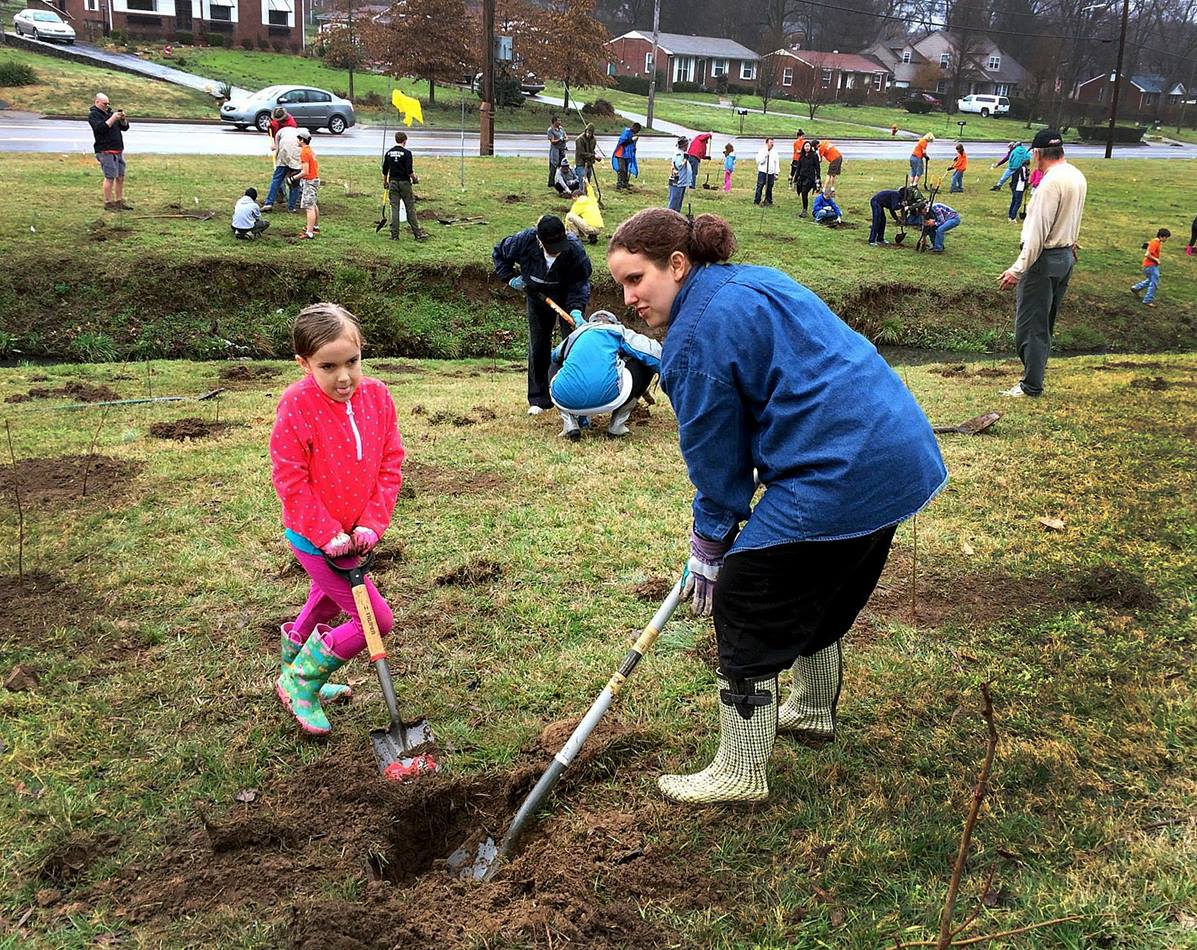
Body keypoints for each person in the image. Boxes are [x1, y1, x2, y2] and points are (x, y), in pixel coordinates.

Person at [605, 208, 947, 805]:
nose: (629, 296)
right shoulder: (752, 279)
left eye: (637, 280)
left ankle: (739, 771)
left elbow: (719, 465)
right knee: (817, 580)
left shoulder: (693, 340)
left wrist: (710, 544)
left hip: (843, 465)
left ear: (677, 265)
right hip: (898, 451)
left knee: (748, 587)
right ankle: (813, 709)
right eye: (621, 286)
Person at [269, 303, 405, 736]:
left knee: (326, 601)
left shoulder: (378, 396)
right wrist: (326, 532)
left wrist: (371, 524)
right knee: (376, 622)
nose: (344, 377)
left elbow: (390, 463)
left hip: (356, 537)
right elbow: (289, 478)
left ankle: (290, 671)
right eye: (328, 366)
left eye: (353, 362)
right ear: (303, 363)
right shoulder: (297, 405)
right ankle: (302, 683)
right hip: (313, 538)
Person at [998, 128, 1088, 398]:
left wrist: (1017, 269)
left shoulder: (1049, 184)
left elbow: (1037, 232)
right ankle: (1034, 377)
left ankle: (1030, 385)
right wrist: (1071, 242)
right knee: (1045, 322)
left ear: (1037, 153)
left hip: (1043, 260)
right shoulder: (1075, 175)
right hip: (1065, 257)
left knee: (1030, 326)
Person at [493, 215, 593, 415]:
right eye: (552, 246)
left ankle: (574, 398)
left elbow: (579, 283)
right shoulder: (523, 241)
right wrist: (510, 277)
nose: (557, 250)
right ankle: (539, 399)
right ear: (540, 239)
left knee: (573, 345)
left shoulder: (574, 250)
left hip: (567, 296)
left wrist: (575, 308)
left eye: (560, 244)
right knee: (538, 345)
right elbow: (499, 253)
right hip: (537, 295)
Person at [548, 309, 662, 440]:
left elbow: (555, 355)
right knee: (644, 361)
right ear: (614, 322)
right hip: (610, 397)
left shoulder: (577, 334)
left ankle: (570, 422)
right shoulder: (618, 330)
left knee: (555, 362)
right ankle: (617, 425)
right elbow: (654, 353)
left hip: (566, 400)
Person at [381, 130, 429, 242]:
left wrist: (385, 182)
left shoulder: (388, 153)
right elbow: (409, 171)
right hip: (404, 183)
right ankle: (417, 233)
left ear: (396, 140)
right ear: (405, 141)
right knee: (410, 208)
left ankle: (394, 235)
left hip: (392, 183)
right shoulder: (407, 153)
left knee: (395, 209)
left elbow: (385, 170)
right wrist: (415, 179)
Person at [88, 93, 130, 212]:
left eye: (108, 104)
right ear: (97, 102)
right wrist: (113, 118)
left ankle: (119, 201)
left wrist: (122, 119)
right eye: (104, 104)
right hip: (105, 151)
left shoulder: (110, 114)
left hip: (118, 150)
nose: (107, 106)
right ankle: (108, 203)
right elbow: (101, 129)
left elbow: (125, 128)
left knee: (120, 177)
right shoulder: (94, 115)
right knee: (110, 177)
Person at [263, 107, 298, 212]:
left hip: (288, 153)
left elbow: (281, 143)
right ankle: (289, 206)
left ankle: (270, 202)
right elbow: (271, 131)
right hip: (294, 155)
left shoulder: (291, 125)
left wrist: (276, 149)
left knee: (283, 178)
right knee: (293, 179)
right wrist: (268, 127)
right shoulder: (280, 124)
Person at [269, 123, 304, 214]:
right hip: (296, 155)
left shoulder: (279, 132)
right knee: (294, 184)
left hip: (284, 155)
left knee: (276, 179)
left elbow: (276, 148)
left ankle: (269, 203)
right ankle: (291, 207)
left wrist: (278, 163)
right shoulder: (298, 132)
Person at [1131, 228, 1170, 307]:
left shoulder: (1156, 242)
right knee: (1154, 283)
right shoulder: (1155, 243)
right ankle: (1147, 300)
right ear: (1162, 236)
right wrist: (1156, 260)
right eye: (1166, 237)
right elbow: (1147, 254)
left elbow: (1149, 245)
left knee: (1151, 280)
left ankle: (1136, 288)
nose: (1166, 239)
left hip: (1150, 265)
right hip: (1151, 265)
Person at [296, 129, 320, 240]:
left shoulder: (304, 152)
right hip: (315, 179)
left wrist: (293, 178)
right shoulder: (309, 150)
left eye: (298, 138)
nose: (297, 140)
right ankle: (315, 226)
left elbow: (305, 172)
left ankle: (309, 233)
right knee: (313, 204)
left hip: (309, 181)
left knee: (309, 207)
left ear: (302, 140)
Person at [793, 140, 821, 217]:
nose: (807, 147)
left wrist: (818, 177)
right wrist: (795, 178)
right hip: (802, 177)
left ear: (810, 147)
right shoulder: (801, 156)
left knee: (804, 191)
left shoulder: (814, 156)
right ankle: (804, 208)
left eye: (808, 146)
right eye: (806, 146)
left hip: (810, 178)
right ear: (804, 147)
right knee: (802, 192)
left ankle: (804, 210)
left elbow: (817, 167)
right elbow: (798, 168)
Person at [668, 137, 693, 213]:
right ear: (684, 145)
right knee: (674, 202)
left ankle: (676, 216)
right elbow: (679, 165)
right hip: (677, 182)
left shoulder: (681, 153)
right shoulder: (679, 154)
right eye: (687, 145)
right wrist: (685, 159)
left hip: (681, 182)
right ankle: (670, 217)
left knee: (678, 202)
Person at [613, 122, 641, 190]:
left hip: (626, 155)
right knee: (622, 169)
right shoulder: (626, 132)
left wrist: (634, 147)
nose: (637, 132)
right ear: (634, 127)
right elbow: (623, 143)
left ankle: (625, 183)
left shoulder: (632, 134)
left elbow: (632, 146)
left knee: (625, 170)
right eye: (637, 130)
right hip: (621, 154)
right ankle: (619, 184)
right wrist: (632, 140)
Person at [753, 138, 779, 206]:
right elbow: (759, 161)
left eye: (773, 143)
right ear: (767, 143)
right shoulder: (762, 151)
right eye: (770, 142)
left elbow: (776, 162)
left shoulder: (775, 152)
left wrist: (776, 173)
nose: (772, 144)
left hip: (771, 173)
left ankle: (768, 201)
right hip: (762, 172)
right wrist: (765, 155)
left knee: (769, 187)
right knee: (760, 186)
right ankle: (757, 201)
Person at [547, 115, 568, 189]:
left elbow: (566, 136)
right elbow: (552, 141)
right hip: (555, 150)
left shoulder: (561, 129)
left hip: (562, 150)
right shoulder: (550, 130)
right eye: (558, 121)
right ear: (554, 121)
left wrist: (565, 139)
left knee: (563, 165)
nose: (560, 122)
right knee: (554, 165)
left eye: (560, 121)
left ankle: (561, 181)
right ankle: (551, 183)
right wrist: (559, 139)